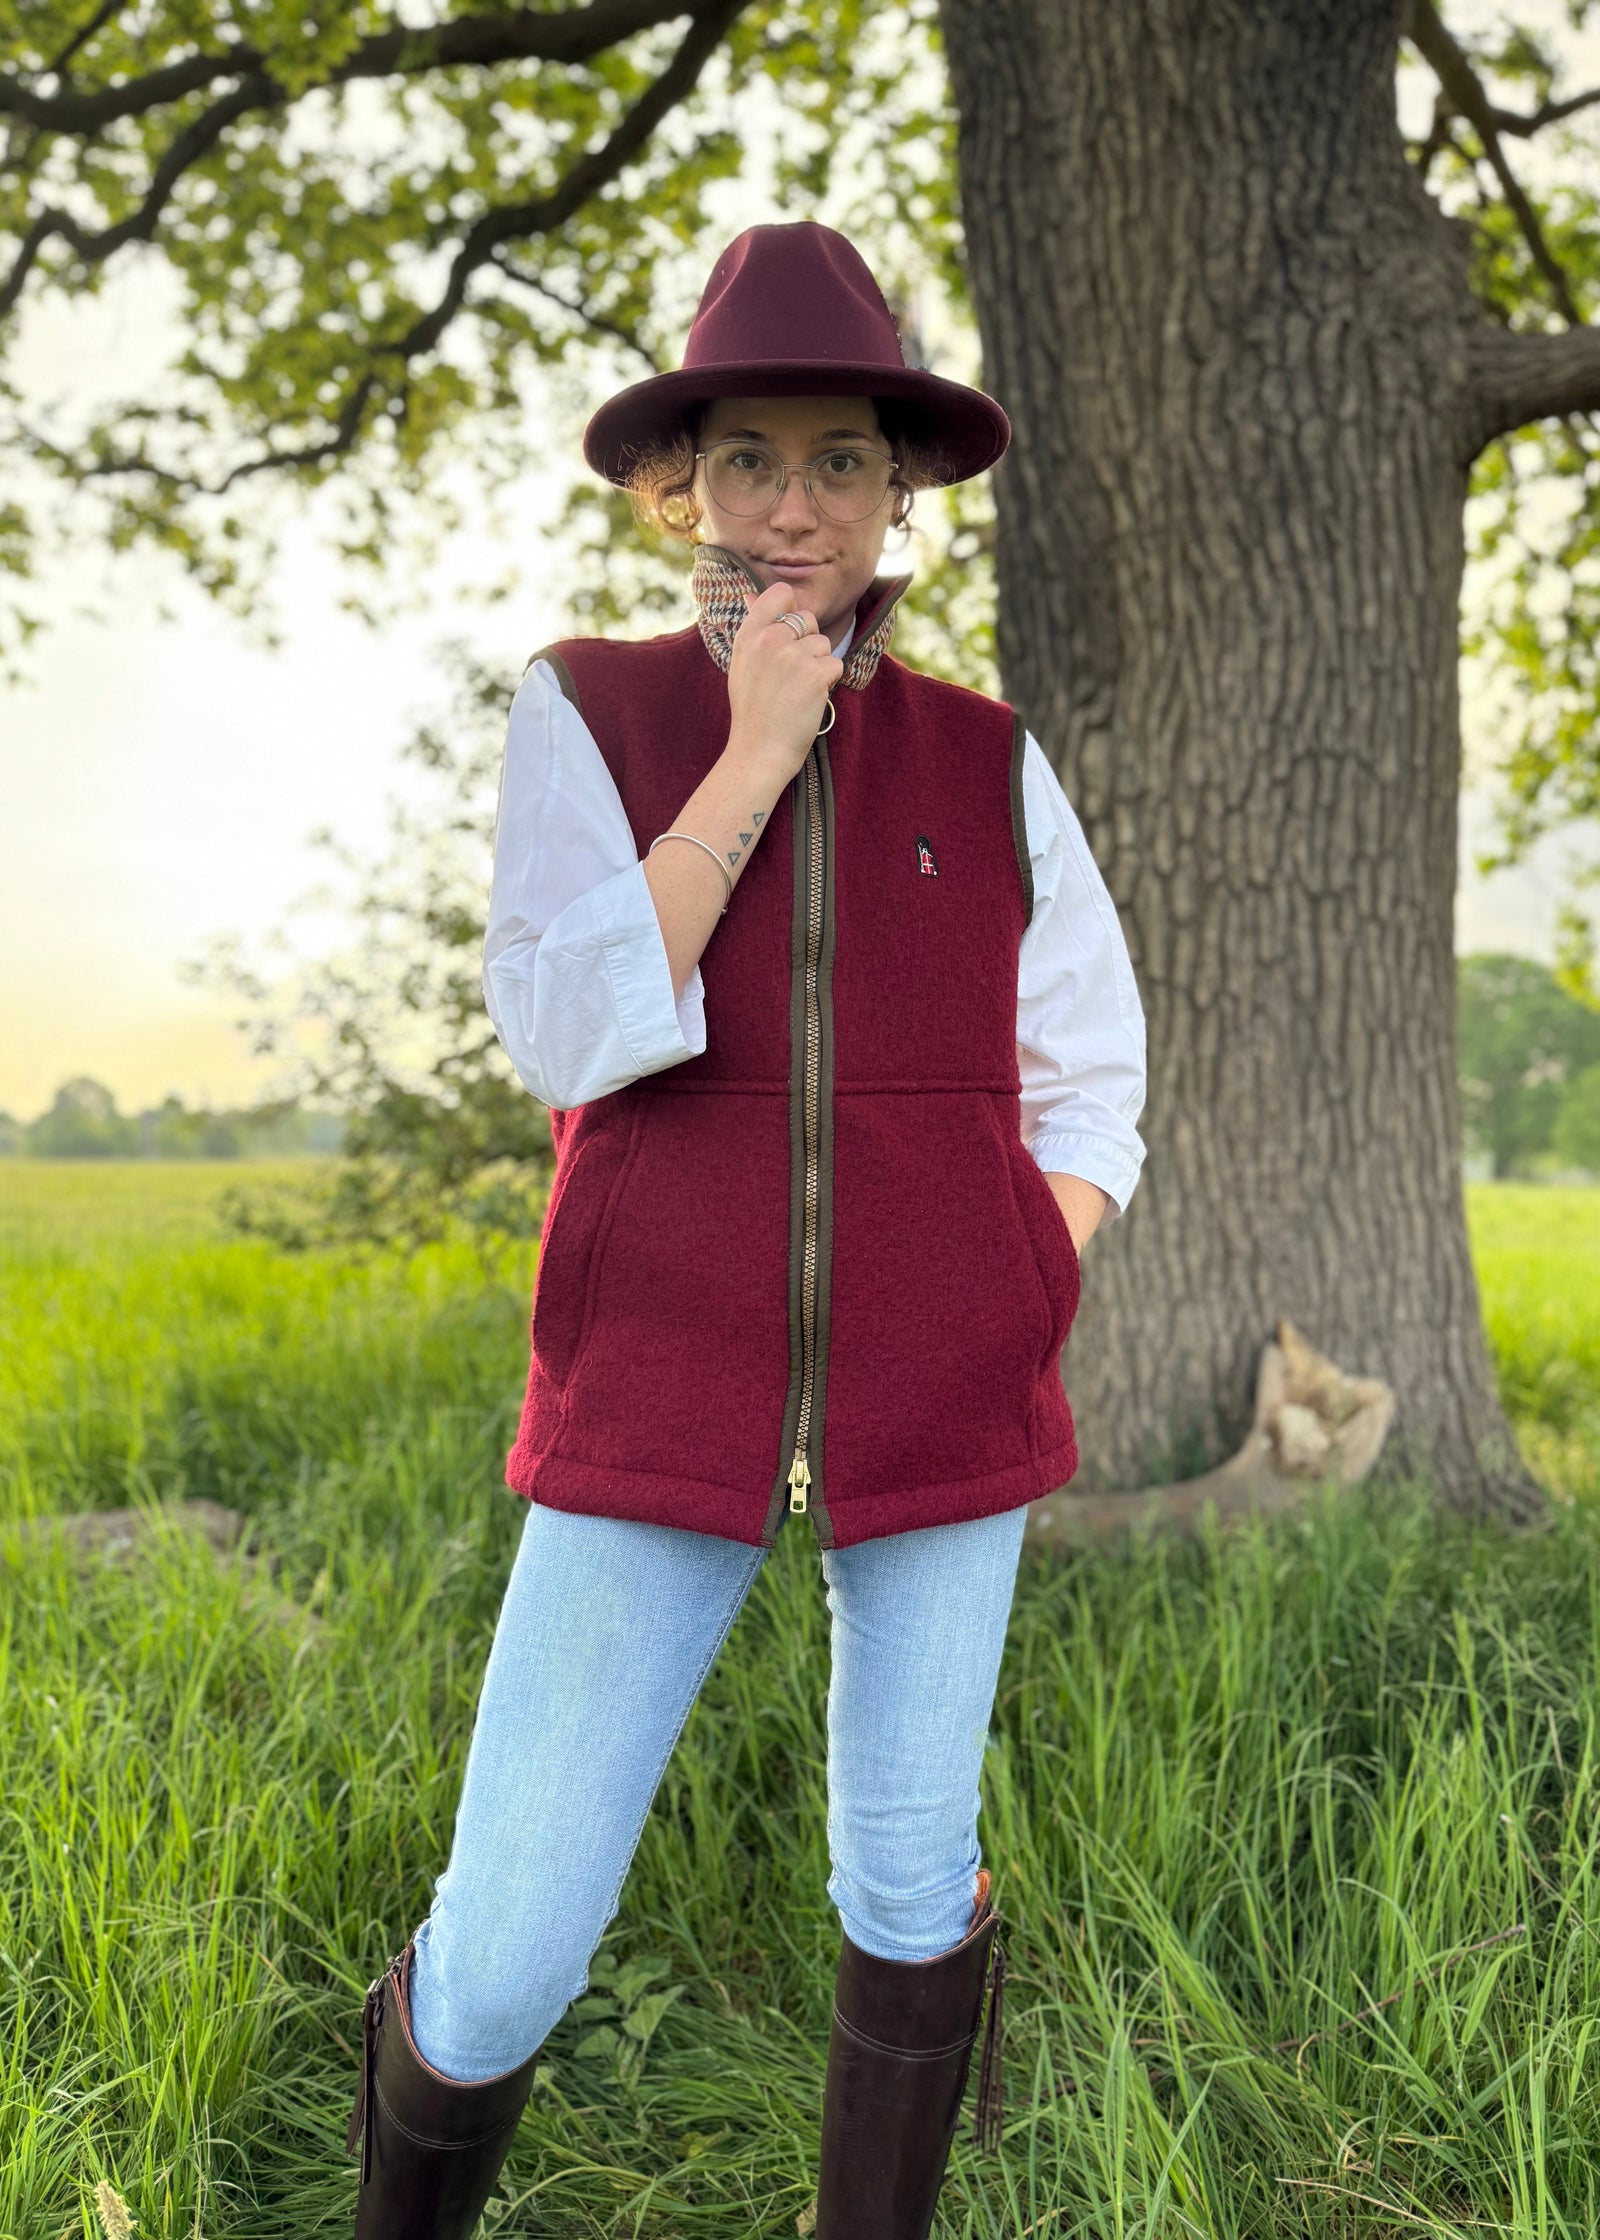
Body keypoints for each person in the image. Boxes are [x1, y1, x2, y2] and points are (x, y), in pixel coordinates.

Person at [344, 220, 1147, 2240]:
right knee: (511, 1936)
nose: (797, 505)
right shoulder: (587, 709)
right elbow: (573, 1025)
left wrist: (1009, 1276)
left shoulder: (989, 756)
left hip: (944, 1401)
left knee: (901, 1868)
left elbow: (1090, 1071)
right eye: (753, 460)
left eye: (841, 463)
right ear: (678, 487)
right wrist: (760, 746)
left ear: (897, 500)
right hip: (653, 1384)